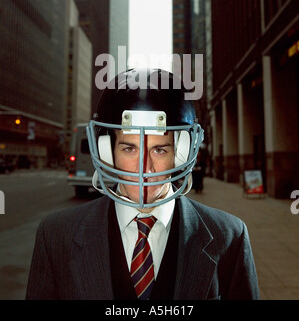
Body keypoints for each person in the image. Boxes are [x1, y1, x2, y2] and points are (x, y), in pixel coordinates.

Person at [26, 68, 259, 300]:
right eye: (129, 148)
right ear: (107, 153)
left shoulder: (230, 236)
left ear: (182, 153)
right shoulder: (56, 236)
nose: (144, 169)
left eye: (159, 149)